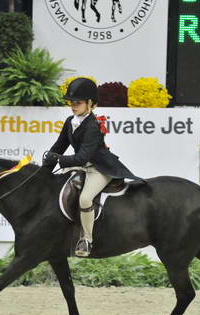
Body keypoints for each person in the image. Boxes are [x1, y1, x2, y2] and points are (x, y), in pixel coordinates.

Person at [42, 77, 141, 257]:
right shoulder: (70, 121)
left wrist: (59, 159)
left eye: (78, 103)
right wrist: (45, 169)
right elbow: (59, 146)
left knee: (85, 199)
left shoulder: (93, 125)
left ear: (90, 104)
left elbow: (81, 157)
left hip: (99, 168)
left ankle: (86, 240)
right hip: (79, 166)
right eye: (71, 102)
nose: (73, 106)